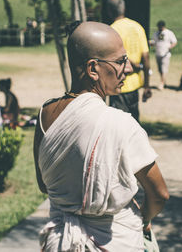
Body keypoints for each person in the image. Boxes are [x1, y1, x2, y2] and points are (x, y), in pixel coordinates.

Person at [33, 21, 169, 251]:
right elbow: (160, 194)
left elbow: (44, 185)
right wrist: (144, 220)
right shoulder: (122, 124)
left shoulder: (45, 114)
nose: (127, 68)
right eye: (120, 61)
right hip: (116, 241)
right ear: (93, 68)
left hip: (61, 243)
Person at [106, 0, 152, 122]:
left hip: (119, 86)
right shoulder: (137, 27)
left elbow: (114, 57)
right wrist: (147, 86)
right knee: (134, 124)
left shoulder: (112, 30)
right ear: (124, 9)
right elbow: (146, 58)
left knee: (118, 126)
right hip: (135, 85)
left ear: (109, 11)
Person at [152, 20, 177, 89]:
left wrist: (169, 47)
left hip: (166, 54)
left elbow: (174, 42)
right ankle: (164, 81)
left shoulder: (169, 33)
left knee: (164, 69)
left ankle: (161, 83)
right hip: (158, 53)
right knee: (160, 69)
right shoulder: (156, 33)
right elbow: (154, 41)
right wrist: (152, 44)